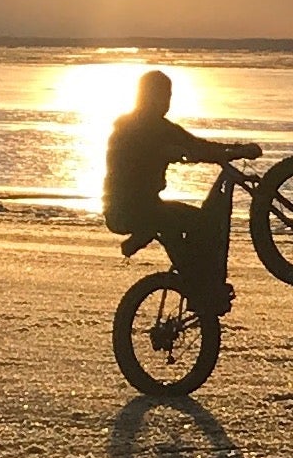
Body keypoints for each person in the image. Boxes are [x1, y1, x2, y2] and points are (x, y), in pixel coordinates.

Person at [102, 69, 255, 311]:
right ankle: (196, 285)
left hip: (148, 205)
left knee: (198, 221)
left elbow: (196, 145)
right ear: (147, 96)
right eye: (163, 95)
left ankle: (198, 281)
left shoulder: (161, 127)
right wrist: (173, 152)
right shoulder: (131, 129)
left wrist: (236, 150)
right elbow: (150, 150)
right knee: (183, 223)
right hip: (126, 209)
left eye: (169, 96)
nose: (167, 102)